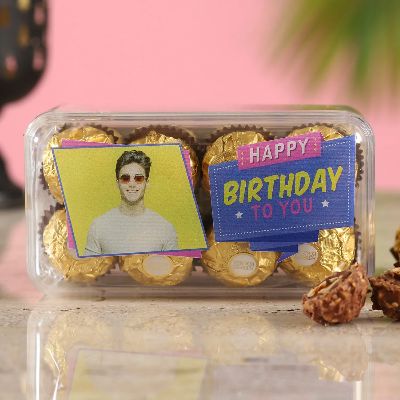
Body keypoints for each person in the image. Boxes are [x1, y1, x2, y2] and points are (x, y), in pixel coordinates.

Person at [84, 150, 178, 256]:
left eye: (138, 178)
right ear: (117, 183)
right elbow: (90, 265)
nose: (132, 184)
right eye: (125, 178)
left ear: (147, 183)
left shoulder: (165, 228)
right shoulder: (98, 226)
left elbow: (172, 266)